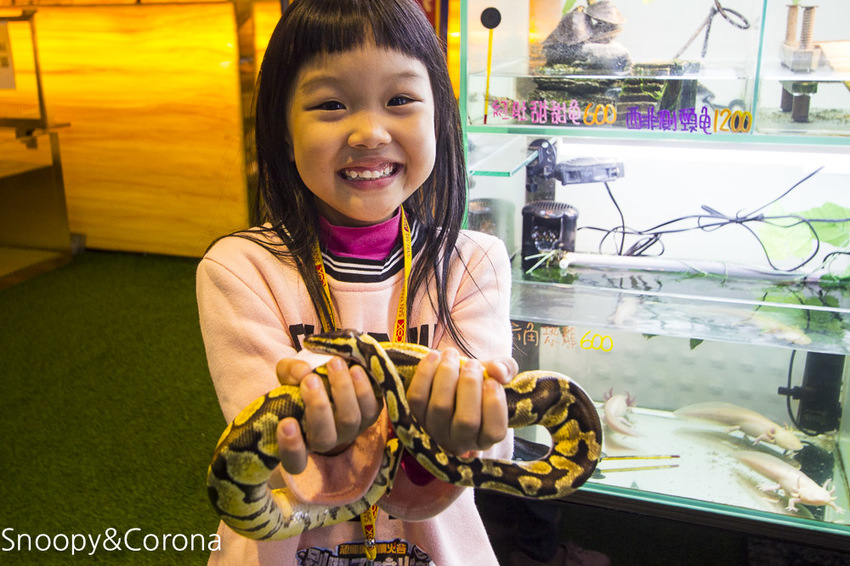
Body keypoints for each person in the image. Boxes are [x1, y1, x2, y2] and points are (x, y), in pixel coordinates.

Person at [196, 0, 517, 563]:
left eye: (400, 100)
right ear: (281, 128)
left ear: (440, 114)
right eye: (330, 104)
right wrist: (401, 417)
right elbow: (266, 455)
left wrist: (469, 421)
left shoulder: (474, 262)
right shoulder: (240, 269)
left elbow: (484, 450)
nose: (369, 132)